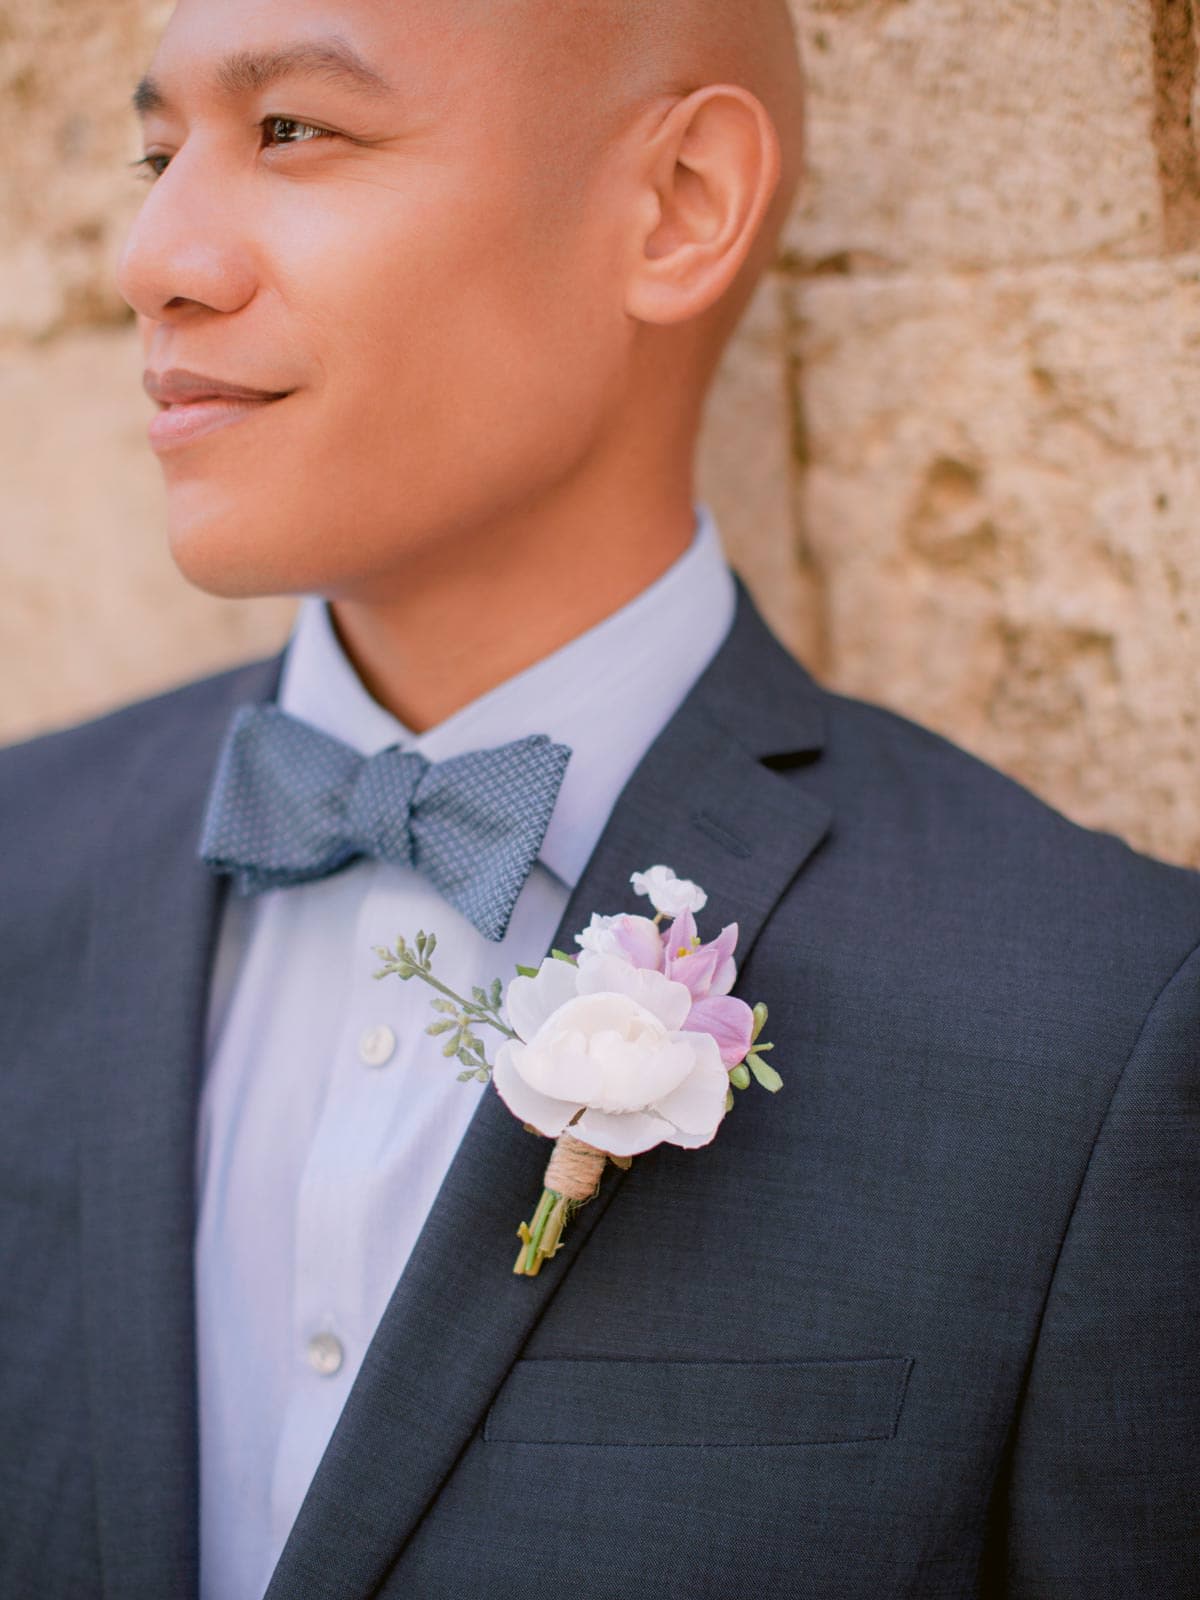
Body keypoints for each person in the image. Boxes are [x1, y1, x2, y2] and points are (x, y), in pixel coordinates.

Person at [1, 1, 1197, 1596]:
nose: (155, 257)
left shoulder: (1088, 1023)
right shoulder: (20, 869)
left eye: (295, 131)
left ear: (680, 203)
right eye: (161, 152)